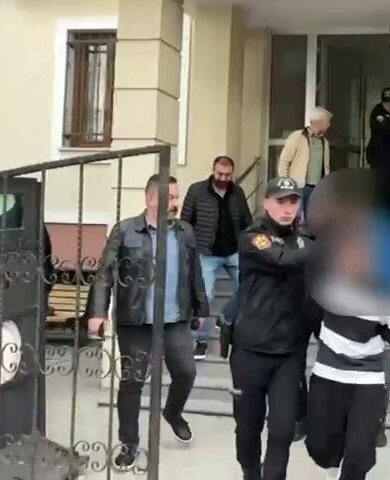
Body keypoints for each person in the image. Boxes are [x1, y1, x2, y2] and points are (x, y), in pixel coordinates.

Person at [85, 174, 209, 471]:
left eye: (177, 197)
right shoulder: (125, 230)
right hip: (136, 321)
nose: (176, 203)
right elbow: (105, 273)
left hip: (175, 319)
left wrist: (201, 306)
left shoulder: (184, 232)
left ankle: (173, 413)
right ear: (152, 198)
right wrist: (97, 312)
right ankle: (129, 444)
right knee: (132, 382)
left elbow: (193, 272)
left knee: (186, 372)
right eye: (171, 197)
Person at [229, 176, 315, 480]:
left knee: (282, 429)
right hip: (250, 351)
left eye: (293, 201)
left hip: (288, 354)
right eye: (281, 201)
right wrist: (327, 247)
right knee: (248, 428)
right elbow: (281, 260)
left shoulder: (305, 241)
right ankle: (250, 472)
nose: (288, 208)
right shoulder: (253, 237)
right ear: (266, 202)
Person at [306, 310, 390, 480]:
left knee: (360, 451)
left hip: (368, 375)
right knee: (320, 446)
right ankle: (333, 471)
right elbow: (313, 315)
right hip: (328, 369)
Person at [180, 155, 252, 360]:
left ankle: (231, 323)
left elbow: (247, 221)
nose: (223, 178)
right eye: (220, 174)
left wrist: (248, 243)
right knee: (205, 297)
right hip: (206, 253)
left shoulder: (237, 192)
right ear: (213, 171)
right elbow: (185, 222)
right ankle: (201, 341)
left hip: (234, 251)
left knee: (248, 290)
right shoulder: (197, 190)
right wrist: (188, 250)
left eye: (227, 175)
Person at [277, 106, 332, 225]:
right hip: (299, 186)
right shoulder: (297, 137)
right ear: (320, 122)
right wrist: (286, 183)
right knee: (296, 219)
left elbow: (326, 166)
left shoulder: (325, 142)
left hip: (317, 187)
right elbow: (284, 161)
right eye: (327, 122)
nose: (329, 125)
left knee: (312, 219)